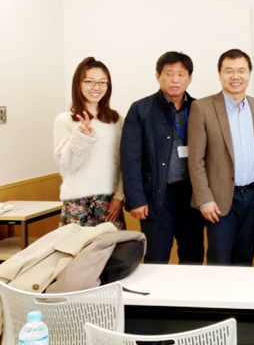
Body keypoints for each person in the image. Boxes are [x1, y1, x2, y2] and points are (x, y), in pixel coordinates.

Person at [120, 51, 205, 264]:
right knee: (156, 258)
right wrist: (136, 199)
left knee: (193, 258)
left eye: (181, 74)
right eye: (169, 73)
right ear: (158, 76)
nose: (175, 79)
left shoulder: (199, 109)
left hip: (191, 197)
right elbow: (130, 158)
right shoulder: (141, 109)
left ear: (190, 78)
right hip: (157, 196)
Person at [188, 49, 254, 265]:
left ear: (249, 74)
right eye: (229, 71)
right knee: (219, 260)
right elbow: (195, 160)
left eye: (241, 71)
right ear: (220, 74)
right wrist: (204, 199)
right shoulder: (202, 108)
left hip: (252, 197)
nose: (235, 76)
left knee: (245, 259)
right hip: (218, 200)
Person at [53, 57, 126, 229]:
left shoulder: (116, 120)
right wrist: (80, 135)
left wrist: (119, 196)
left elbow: (123, 162)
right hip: (76, 202)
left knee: (113, 246)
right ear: (78, 84)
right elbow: (66, 164)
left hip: (109, 202)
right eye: (89, 81)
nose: (96, 87)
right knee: (77, 247)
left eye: (102, 82)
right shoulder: (65, 120)